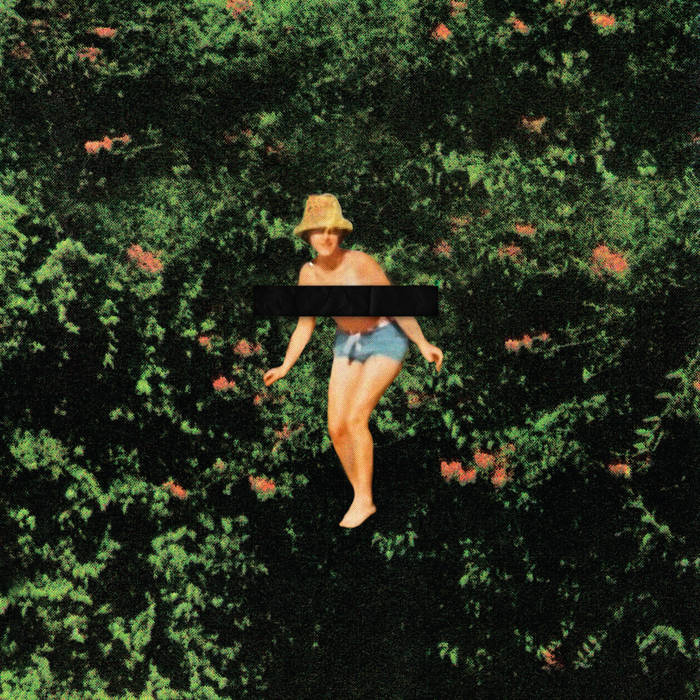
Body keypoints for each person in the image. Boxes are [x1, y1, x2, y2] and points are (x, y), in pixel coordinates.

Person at [263, 193, 443, 528]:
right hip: (348, 343)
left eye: (332, 230)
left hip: (385, 337)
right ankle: (359, 493)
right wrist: (285, 365)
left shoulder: (360, 262)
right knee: (336, 426)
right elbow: (305, 325)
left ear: (341, 233)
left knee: (356, 418)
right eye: (318, 230)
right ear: (308, 235)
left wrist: (422, 342)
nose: (326, 237)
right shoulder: (309, 274)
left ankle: (364, 499)